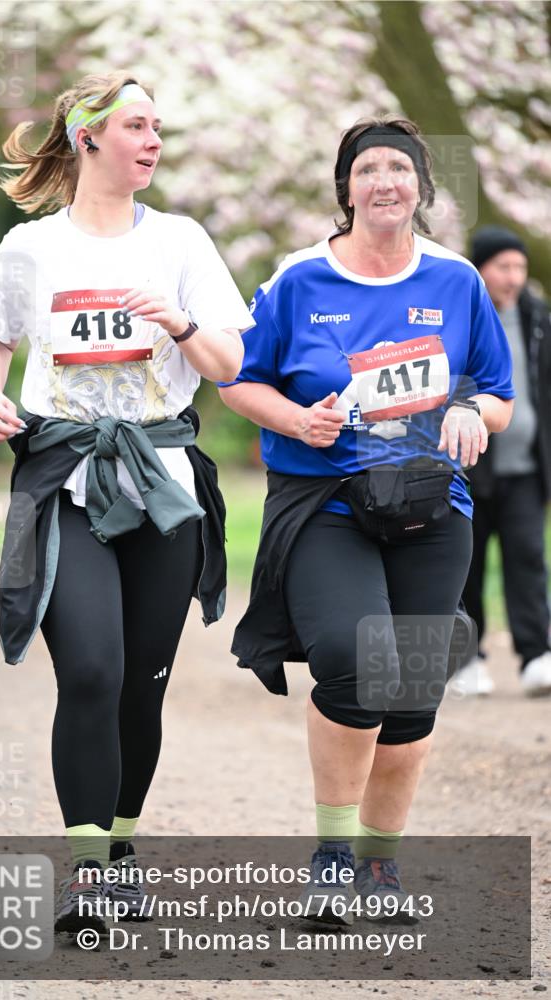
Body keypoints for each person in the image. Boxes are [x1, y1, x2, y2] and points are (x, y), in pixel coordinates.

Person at [0, 71, 254, 932]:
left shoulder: (180, 240)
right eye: (136, 125)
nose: (153, 140)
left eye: (158, 126)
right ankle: (89, 872)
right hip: (66, 479)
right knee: (92, 671)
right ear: (86, 135)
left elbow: (229, 365)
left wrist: (177, 322)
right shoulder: (31, 248)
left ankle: (121, 850)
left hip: (162, 487)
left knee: (141, 686)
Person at [218, 114, 514, 924]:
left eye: (399, 168)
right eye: (367, 169)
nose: (384, 181)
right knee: (353, 658)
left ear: (421, 186)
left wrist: (470, 412)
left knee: (413, 687)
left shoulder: (454, 280)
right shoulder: (298, 279)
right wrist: (293, 420)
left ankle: (380, 869)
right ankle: (331, 855)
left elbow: (495, 392)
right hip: (326, 502)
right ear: (345, 189)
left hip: (431, 504)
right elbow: (238, 380)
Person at [450, 226, 551, 697]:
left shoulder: (538, 319)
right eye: (503, 267)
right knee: (466, 565)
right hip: (471, 467)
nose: (513, 277)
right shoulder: (459, 317)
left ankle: (536, 656)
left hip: (526, 469)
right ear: (480, 270)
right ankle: (468, 660)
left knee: (528, 559)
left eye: (520, 267)